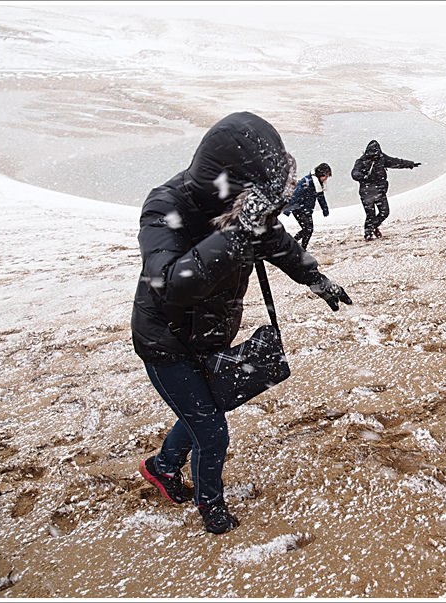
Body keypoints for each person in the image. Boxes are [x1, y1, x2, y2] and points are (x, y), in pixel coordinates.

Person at [131, 111, 352, 534]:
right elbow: (171, 284)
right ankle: (210, 505)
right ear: (232, 185)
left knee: (202, 411)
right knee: (212, 432)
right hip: (166, 343)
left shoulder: (250, 210)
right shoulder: (166, 206)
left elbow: (279, 244)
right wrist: (238, 229)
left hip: (212, 334)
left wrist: (316, 279)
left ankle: (160, 467)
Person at [351, 140, 420, 240]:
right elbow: (354, 174)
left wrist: (410, 164)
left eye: (377, 153)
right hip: (366, 193)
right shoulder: (360, 161)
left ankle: (372, 227)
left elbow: (396, 162)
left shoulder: (382, 158)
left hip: (380, 191)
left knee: (385, 212)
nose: (375, 156)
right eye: (373, 154)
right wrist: (363, 176)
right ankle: (368, 234)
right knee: (370, 215)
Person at [283, 162, 331, 249]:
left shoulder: (317, 184)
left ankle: (296, 245)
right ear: (321, 174)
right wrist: (289, 209)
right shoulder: (307, 182)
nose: (326, 179)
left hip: (306, 210)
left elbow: (320, 197)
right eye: (326, 176)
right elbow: (295, 195)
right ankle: (299, 246)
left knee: (307, 230)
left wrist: (325, 209)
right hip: (299, 209)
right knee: (308, 229)